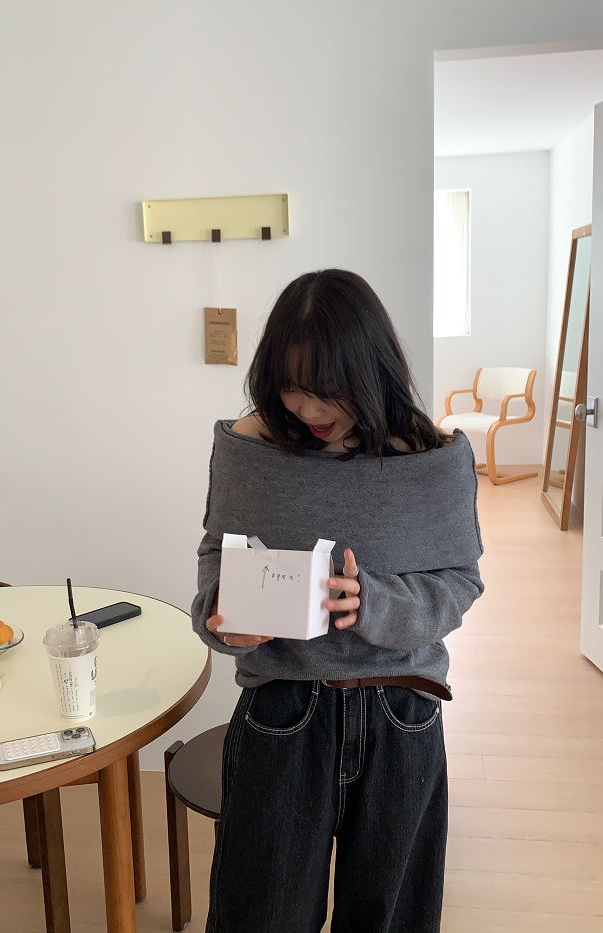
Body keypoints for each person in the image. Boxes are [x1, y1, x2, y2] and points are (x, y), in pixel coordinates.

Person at [191, 269, 485, 933]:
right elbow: (216, 558)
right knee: (260, 915)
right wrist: (223, 620)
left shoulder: (432, 460)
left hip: (402, 710)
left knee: (391, 916)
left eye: (327, 388)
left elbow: (460, 583)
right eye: (289, 385)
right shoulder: (249, 449)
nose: (306, 408)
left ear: (370, 369)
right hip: (282, 708)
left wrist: (373, 603)